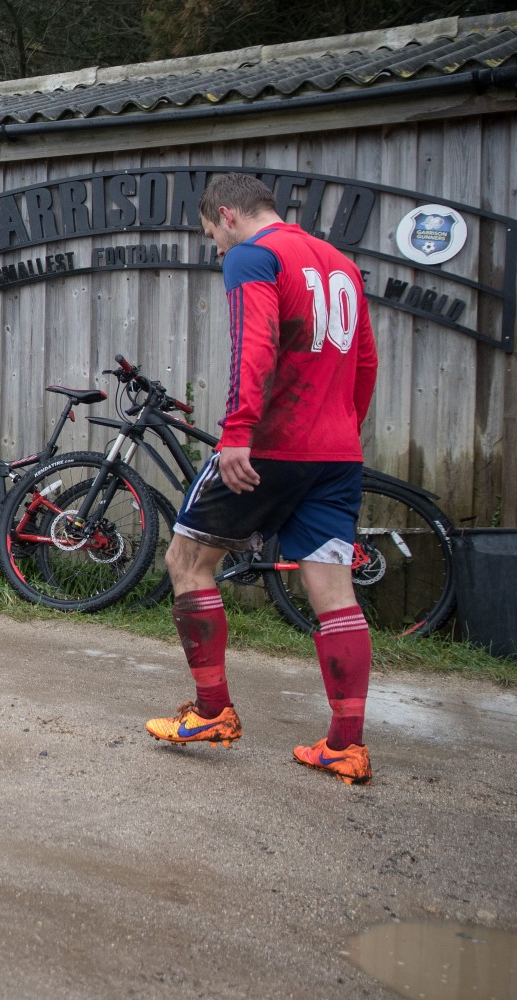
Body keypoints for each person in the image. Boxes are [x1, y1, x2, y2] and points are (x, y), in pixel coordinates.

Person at [144, 173, 380, 785]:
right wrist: (344, 429)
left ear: (227, 215)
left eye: (212, 239)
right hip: (337, 454)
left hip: (271, 448)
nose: (219, 251)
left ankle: (212, 712)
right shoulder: (340, 264)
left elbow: (257, 345)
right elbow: (365, 360)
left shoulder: (255, 254)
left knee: (186, 561)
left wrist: (238, 432)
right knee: (334, 594)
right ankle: (345, 747)